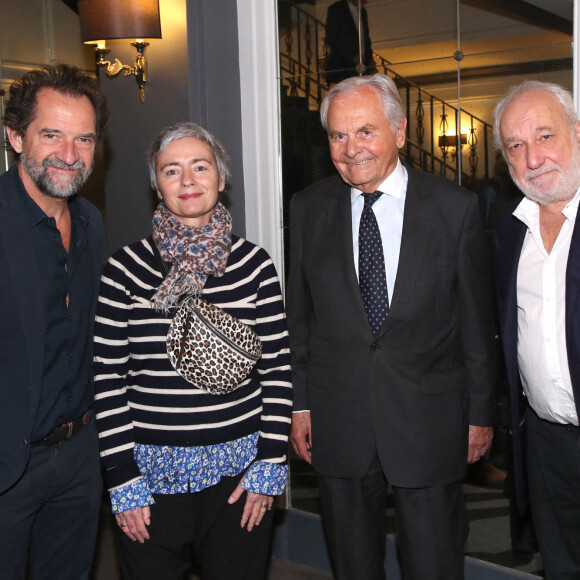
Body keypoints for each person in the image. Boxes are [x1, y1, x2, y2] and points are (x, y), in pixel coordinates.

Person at [286, 73, 497, 580]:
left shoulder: (455, 208)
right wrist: (300, 403)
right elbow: (301, 317)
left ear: (400, 132)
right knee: (353, 564)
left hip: (430, 420)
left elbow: (476, 322)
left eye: (365, 131)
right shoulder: (308, 208)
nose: (350, 148)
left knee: (433, 562)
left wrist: (480, 412)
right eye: (338, 135)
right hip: (339, 420)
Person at [93, 122, 292, 580]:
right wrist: (122, 475)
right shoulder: (123, 270)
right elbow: (107, 378)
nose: (187, 181)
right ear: (156, 184)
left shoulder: (255, 266)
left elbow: (278, 369)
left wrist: (270, 461)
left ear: (221, 179)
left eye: (200, 167)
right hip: (148, 482)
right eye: (171, 170)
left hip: (239, 480)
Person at [0, 64, 109, 579]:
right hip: (8, 466)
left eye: (83, 138)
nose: (70, 154)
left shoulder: (90, 222)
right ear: (16, 136)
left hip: (81, 457)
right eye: (52, 135)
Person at [493, 80, 580, 579]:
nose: (533, 159)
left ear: (575, 133)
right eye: (516, 147)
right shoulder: (508, 231)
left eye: (545, 136)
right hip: (545, 445)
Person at [325, 0, 376, 85]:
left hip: (361, 65)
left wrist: (370, 58)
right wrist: (352, 56)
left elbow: (365, 39)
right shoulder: (337, 9)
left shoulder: (362, 12)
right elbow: (332, 38)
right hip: (343, 65)